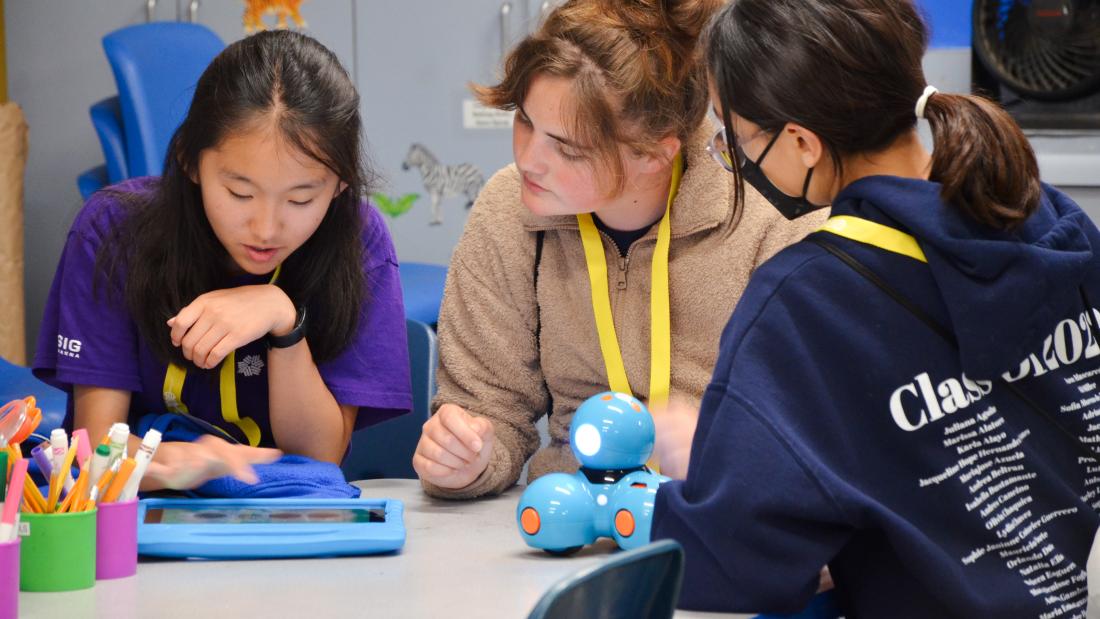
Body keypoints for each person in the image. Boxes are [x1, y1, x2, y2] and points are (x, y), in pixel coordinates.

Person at [651, 0, 1100, 616]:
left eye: (737, 139)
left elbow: (731, 565)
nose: (737, 160)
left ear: (803, 142)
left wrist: (688, 479)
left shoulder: (807, 301)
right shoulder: (1054, 225)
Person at [413, 0, 826, 499]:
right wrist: (467, 456)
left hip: (720, 523)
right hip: (568, 526)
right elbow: (488, 408)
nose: (527, 160)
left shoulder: (772, 217)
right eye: (524, 121)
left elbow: (820, 437)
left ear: (655, 154)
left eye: (567, 148)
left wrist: (731, 451)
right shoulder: (508, 209)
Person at [33, 30, 412, 490]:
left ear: (340, 186)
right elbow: (92, 447)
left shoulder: (358, 242)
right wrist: (180, 461)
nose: (266, 228)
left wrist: (282, 319)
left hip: (288, 523)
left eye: (301, 199)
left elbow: (319, 457)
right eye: (240, 193)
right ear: (190, 161)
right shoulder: (113, 231)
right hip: (141, 517)